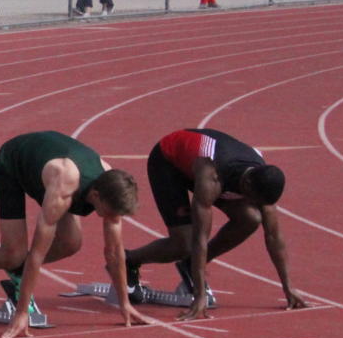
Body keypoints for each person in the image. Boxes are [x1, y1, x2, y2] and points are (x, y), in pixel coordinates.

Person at [0, 131, 148, 338]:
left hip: (49, 166)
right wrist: (21, 313)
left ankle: (19, 274)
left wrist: (124, 303)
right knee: (13, 254)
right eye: (110, 212)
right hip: (13, 162)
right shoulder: (64, 188)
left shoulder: (111, 185)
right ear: (96, 196)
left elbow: (115, 253)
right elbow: (37, 252)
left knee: (71, 243)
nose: (113, 218)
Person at [125, 128, 307, 320]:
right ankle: (130, 260)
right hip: (168, 162)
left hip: (206, 165)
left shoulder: (261, 179)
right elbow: (200, 238)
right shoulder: (212, 176)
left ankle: (190, 265)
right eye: (255, 199)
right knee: (184, 244)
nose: (259, 204)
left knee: (251, 219)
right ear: (246, 186)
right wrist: (199, 296)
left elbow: (274, 235)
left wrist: (289, 287)